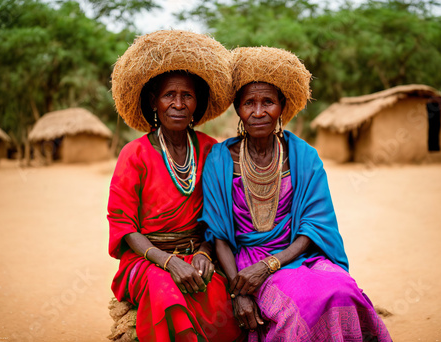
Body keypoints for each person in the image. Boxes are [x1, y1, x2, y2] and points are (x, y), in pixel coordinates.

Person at [200, 46, 392, 341]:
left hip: (298, 254)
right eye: (249, 102)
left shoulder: (304, 156)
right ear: (238, 108)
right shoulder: (219, 159)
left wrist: (272, 264)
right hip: (246, 264)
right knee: (297, 309)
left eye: (269, 102)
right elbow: (219, 236)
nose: (259, 111)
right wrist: (238, 291)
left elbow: (314, 226)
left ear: (282, 106)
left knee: (343, 290)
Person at [108, 30, 243, 342]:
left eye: (187, 96)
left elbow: (220, 217)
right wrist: (167, 262)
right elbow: (123, 224)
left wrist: (206, 255)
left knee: (219, 300)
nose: (178, 104)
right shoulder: (135, 154)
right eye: (169, 95)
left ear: (198, 103)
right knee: (164, 291)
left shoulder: (212, 150)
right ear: (154, 102)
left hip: (197, 254)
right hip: (146, 260)